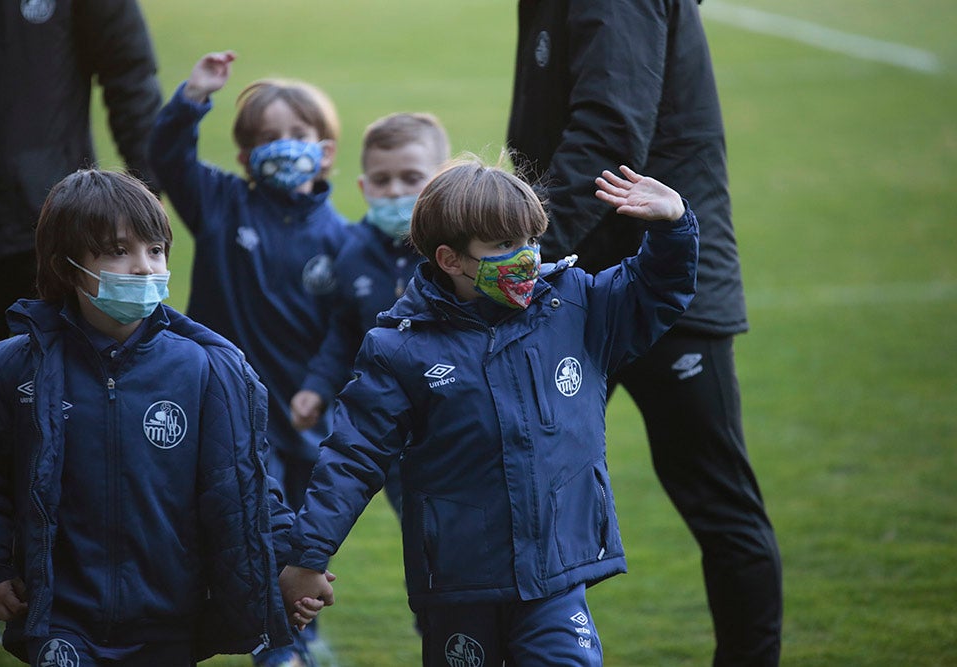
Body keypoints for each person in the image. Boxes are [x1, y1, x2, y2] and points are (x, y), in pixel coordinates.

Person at [278, 158, 700, 666]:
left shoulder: (576, 306)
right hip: (461, 579)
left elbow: (655, 290)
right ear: (451, 259)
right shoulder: (399, 349)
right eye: (503, 247)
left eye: (530, 241)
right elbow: (353, 457)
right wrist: (308, 557)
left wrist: (673, 226)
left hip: (554, 572)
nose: (525, 258)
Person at [506, 1, 783, 664]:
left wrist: (522, 251)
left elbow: (610, 127)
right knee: (523, 496)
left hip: (661, 287)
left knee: (719, 505)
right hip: (574, 284)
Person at [0, 170, 303, 666]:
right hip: (61, 616)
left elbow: (244, 482)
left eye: (155, 250)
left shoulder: (203, 367)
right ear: (67, 266)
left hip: (168, 619)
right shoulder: (13, 365)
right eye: (118, 250)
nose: (145, 268)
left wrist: (293, 561)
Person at [0, 1, 163, 640]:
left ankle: (68, 588)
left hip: (51, 237)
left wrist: (141, 219)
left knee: (60, 413)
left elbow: (129, 72)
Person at [148, 50, 348, 667]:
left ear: (327, 150)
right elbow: (167, 159)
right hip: (223, 409)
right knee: (234, 531)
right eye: (266, 139)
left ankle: (292, 642)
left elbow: (347, 338)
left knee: (300, 539)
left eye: (296, 136)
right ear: (242, 157)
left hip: (304, 418)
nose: (282, 148)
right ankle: (251, 641)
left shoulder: (344, 240)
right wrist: (191, 101)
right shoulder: (221, 204)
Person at [291, 111, 450, 516]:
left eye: (411, 178)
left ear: (440, 180)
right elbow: (343, 332)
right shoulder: (351, 249)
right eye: (381, 180)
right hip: (389, 427)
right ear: (363, 186)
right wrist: (317, 386)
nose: (395, 191)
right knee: (420, 528)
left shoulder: (454, 249)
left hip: (453, 417)